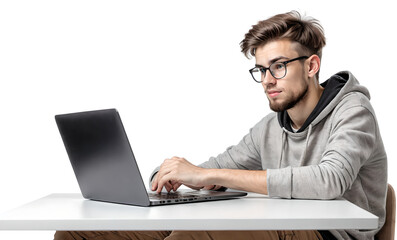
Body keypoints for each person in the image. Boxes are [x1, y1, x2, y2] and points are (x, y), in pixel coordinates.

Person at [54, 10, 387, 240]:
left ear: (312, 65)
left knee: (193, 236)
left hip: (325, 235)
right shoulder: (270, 127)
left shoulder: (354, 110)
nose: (267, 80)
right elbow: (212, 168)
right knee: (76, 234)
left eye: (279, 66)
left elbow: (330, 180)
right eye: (260, 70)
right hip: (282, 226)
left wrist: (209, 176)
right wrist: (170, 173)